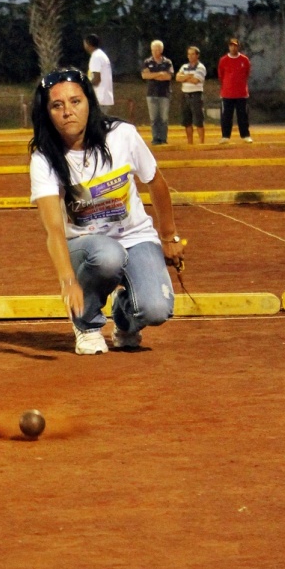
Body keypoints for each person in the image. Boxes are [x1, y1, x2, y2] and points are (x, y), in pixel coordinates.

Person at [29, 67, 181, 355]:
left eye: (76, 101)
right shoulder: (44, 159)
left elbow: (156, 182)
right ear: (46, 112)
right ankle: (86, 324)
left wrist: (169, 235)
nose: (67, 112)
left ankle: (124, 317)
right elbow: (54, 229)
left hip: (135, 237)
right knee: (108, 255)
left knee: (156, 310)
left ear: (89, 102)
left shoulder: (122, 136)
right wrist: (68, 280)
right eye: (57, 105)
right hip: (85, 247)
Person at [217, 37, 252, 142]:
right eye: (231, 45)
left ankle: (245, 135)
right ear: (229, 47)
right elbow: (221, 75)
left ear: (238, 47)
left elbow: (247, 73)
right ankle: (225, 136)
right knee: (226, 116)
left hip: (241, 93)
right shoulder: (223, 60)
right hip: (227, 94)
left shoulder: (244, 60)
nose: (233, 47)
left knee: (243, 116)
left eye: (235, 45)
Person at [140, 40, 173, 145]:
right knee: (153, 118)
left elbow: (168, 76)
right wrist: (159, 74)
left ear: (161, 50)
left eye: (158, 49)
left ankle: (163, 138)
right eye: (154, 49)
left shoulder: (167, 62)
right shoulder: (147, 62)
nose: (155, 51)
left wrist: (153, 75)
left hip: (164, 94)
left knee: (164, 118)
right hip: (151, 93)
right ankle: (155, 138)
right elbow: (145, 76)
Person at [175, 46, 207, 145]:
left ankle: (201, 142)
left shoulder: (201, 67)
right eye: (189, 54)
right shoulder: (184, 66)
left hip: (196, 95)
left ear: (197, 55)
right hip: (185, 95)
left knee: (198, 120)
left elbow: (195, 81)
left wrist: (184, 77)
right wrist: (189, 76)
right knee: (187, 121)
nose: (190, 56)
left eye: (193, 54)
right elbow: (177, 78)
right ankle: (190, 143)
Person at [82, 34, 114, 110]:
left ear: (87, 44)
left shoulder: (96, 57)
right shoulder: (100, 55)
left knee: (96, 121)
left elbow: (96, 79)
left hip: (99, 99)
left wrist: (84, 86)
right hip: (103, 98)